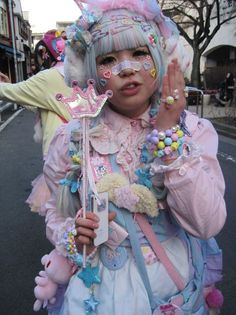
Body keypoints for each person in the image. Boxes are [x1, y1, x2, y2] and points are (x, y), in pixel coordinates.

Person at [42, 1, 226, 314]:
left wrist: (169, 137)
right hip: (99, 291)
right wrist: (75, 237)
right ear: (90, 71)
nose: (126, 68)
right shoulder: (73, 138)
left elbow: (207, 223)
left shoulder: (193, 130)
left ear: (158, 55)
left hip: (172, 284)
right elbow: (54, 210)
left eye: (139, 53)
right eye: (108, 59)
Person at [0, 29, 85, 215]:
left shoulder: (50, 77)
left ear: (45, 53)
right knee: (87, 214)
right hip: (86, 152)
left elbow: (11, 92)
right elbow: (46, 105)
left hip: (59, 156)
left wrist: (5, 86)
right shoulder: (80, 74)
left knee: (63, 217)